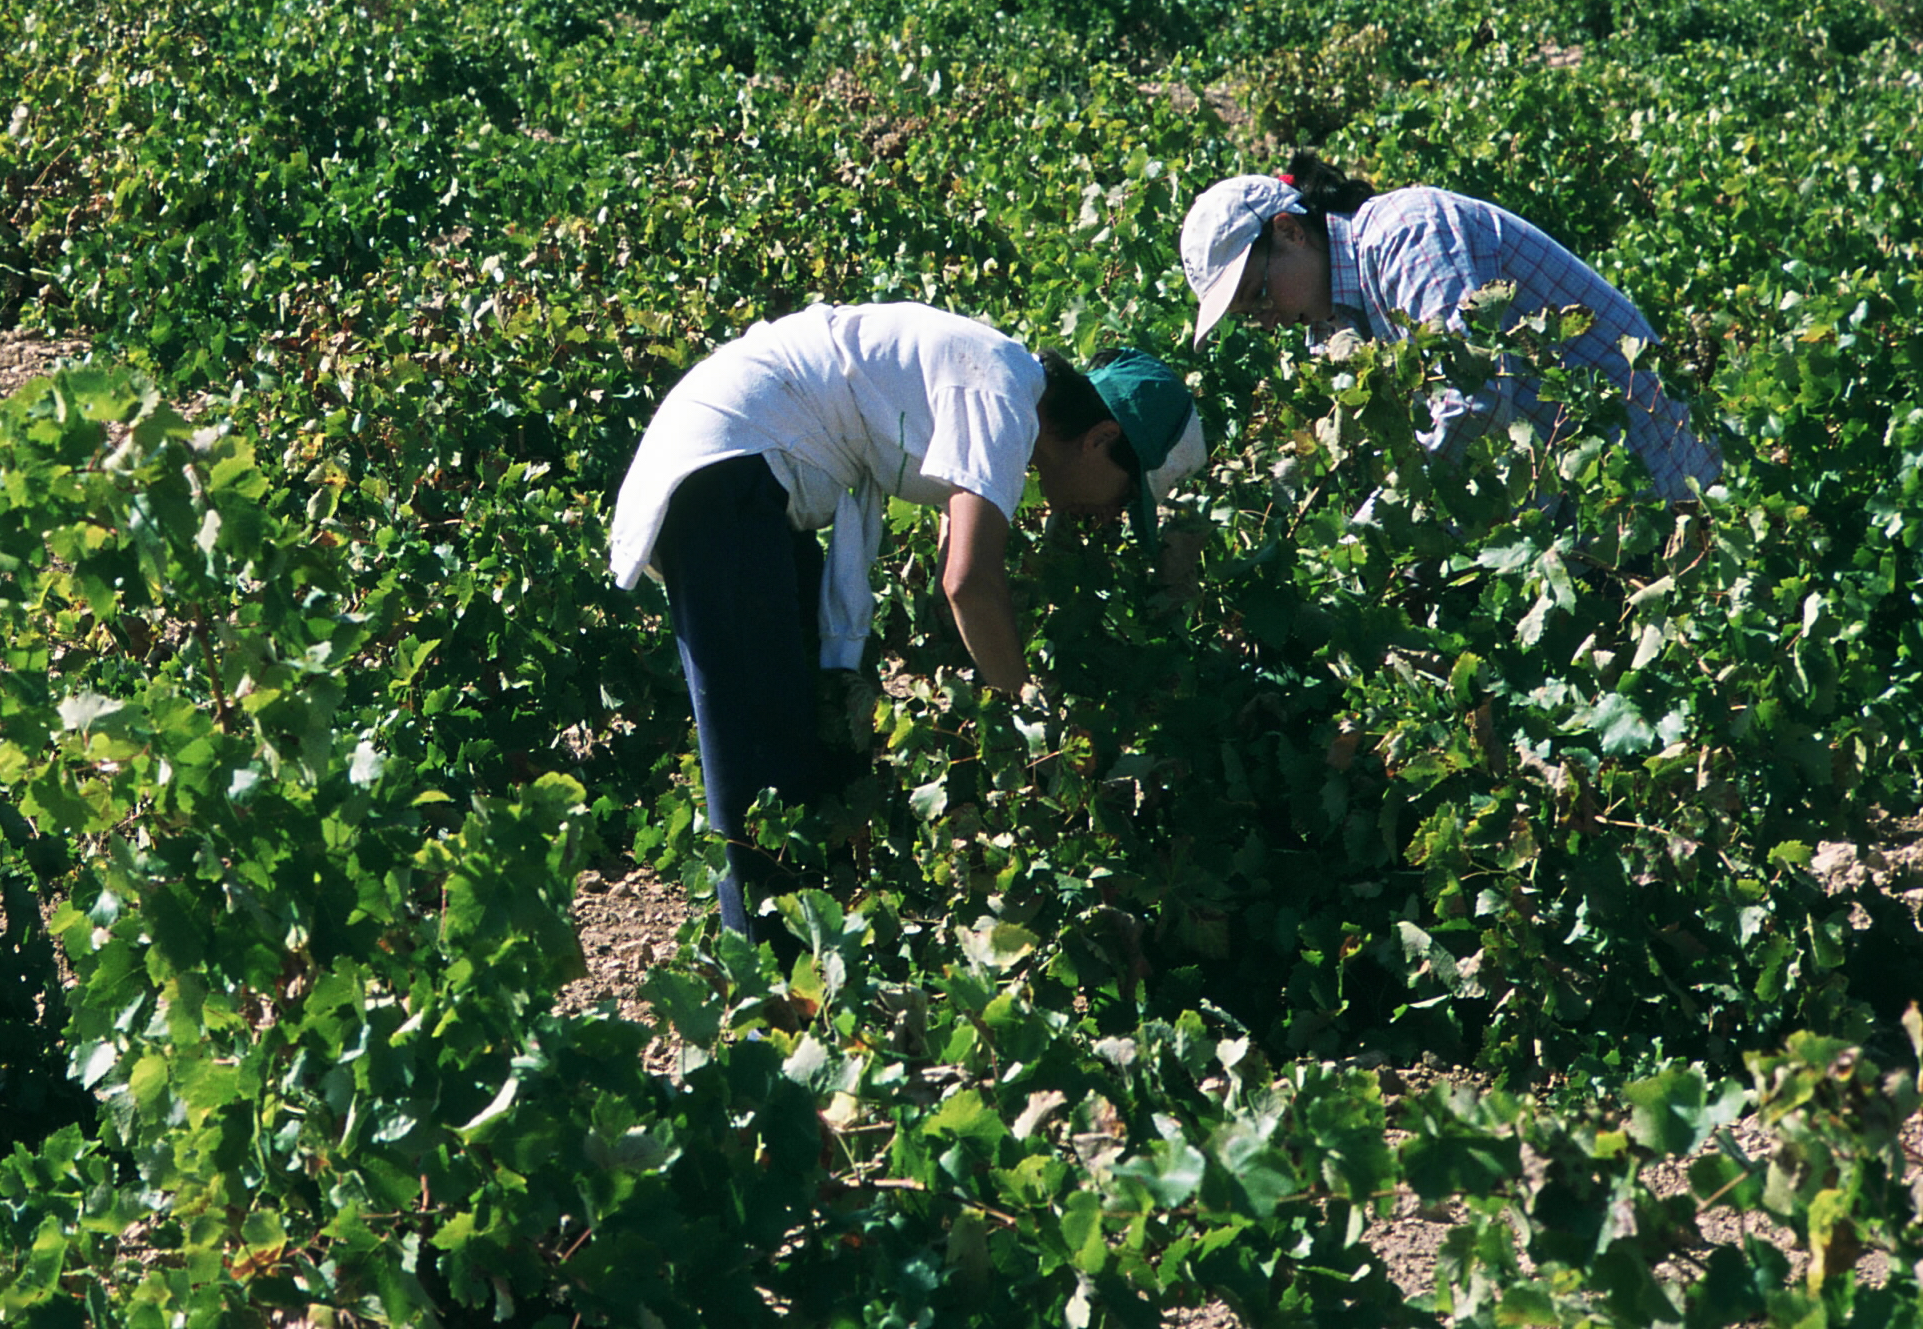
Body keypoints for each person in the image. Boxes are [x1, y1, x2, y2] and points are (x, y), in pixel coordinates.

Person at [607, 303, 1206, 937]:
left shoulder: (1004, 387)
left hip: (746, 465)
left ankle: (814, 965)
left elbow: (961, 556)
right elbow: (970, 585)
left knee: (808, 720)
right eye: (1122, 494)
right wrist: (1029, 720)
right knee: (760, 762)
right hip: (727, 465)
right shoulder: (1005, 397)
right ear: (1100, 439)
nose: (1113, 513)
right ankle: (765, 994)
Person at [1178, 152, 1719, 503]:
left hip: (1659, 480)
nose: (1267, 319)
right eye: (1250, 317)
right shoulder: (1339, 311)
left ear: (1290, 232)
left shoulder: (1406, 236)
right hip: (1586, 497)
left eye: (1259, 295)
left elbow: (1475, 398)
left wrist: (1381, 529)